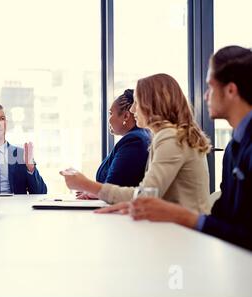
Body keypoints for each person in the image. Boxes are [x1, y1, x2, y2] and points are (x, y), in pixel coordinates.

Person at [97, 46, 252, 251]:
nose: (206, 96)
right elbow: (226, 218)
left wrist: (181, 216)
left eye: (210, 87)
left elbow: (243, 232)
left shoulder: (169, 137)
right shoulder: (234, 147)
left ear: (231, 90)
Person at [61, 73, 211, 213]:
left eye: (137, 102)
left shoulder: (169, 137)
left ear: (152, 105)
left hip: (181, 233)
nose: (132, 109)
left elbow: (147, 195)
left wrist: (85, 184)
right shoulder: (173, 135)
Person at [78, 89, 150, 199]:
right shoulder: (138, 136)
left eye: (111, 113)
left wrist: (93, 189)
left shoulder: (134, 140)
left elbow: (114, 185)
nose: (109, 119)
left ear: (126, 116)